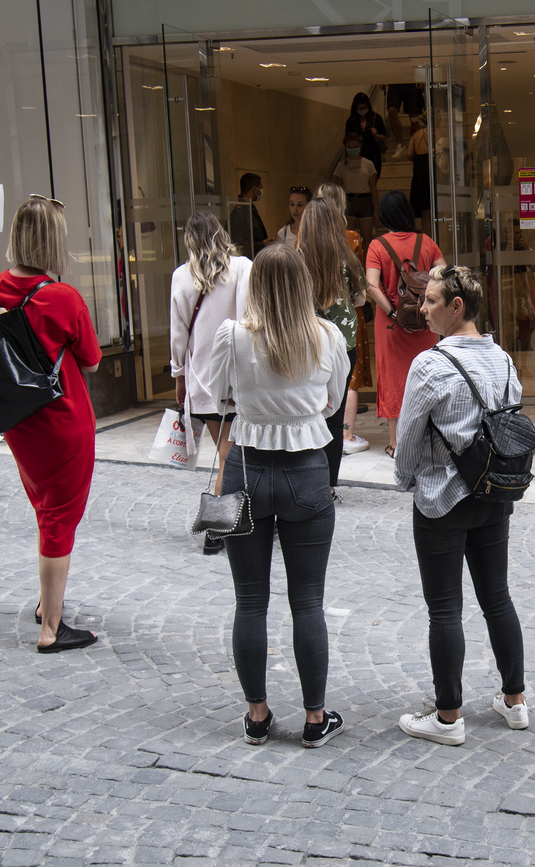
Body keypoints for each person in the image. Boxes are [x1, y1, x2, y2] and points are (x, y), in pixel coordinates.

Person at [206, 244, 351, 748]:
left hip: (245, 465)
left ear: (256, 287)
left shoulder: (233, 336)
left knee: (249, 601)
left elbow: (214, 390)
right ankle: (315, 719)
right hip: (308, 467)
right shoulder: (327, 336)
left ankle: (257, 715)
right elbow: (333, 401)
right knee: (308, 602)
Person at [393, 264, 529, 745]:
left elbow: (408, 437)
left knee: (445, 609)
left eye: (430, 301)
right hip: (494, 494)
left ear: (457, 307)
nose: (421, 307)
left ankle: (448, 717)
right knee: (497, 598)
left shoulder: (430, 365)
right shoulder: (505, 360)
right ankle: (515, 702)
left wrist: (403, 478)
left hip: (441, 499)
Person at [0, 194, 101, 653]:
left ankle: (48, 600)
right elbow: (90, 361)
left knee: (45, 508)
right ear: (53, 242)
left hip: (19, 423)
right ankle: (51, 628)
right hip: (62, 421)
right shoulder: (63, 297)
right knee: (60, 516)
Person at [169, 211, 252, 553]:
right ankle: (218, 529)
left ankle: (230, 520)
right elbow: (249, 318)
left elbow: (178, 332)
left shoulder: (181, 276)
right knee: (230, 452)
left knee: (226, 450)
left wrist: (178, 374)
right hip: (236, 373)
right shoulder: (242, 267)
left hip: (201, 375)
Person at [366, 190, 447, 456]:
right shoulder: (427, 242)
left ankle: (396, 443)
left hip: (391, 326)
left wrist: (391, 312)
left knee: (393, 378)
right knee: (426, 376)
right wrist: (428, 303)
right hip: (424, 322)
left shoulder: (377, 246)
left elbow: (371, 285)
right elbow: (444, 275)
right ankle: (428, 439)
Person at [297, 195, 365, 499]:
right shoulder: (346, 256)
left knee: (308, 411)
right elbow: (361, 298)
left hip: (308, 343)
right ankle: (329, 486)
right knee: (334, 416)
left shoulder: (296, 258)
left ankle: (306, 480)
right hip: (343, 343)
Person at [317, 182, 372, 454]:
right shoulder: (348, 244)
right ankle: (330, 479)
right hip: (344, 335)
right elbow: (361, 296)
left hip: (310, 335)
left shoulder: (299, 249)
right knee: (342, 394)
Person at [334, 132, 379, 252]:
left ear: (360, 146)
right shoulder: (341, 166)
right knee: (348, 239)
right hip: (349, 201)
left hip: (365, 201)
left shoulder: (368, 164)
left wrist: (376, 209)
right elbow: (337, 188)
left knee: (367, 239)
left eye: (355, 147)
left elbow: (373, 187)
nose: (352, 149)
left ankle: (366, 266)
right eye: (349, 147)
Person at [228, 172, 271, 260]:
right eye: (260, 188)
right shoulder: (240, 213)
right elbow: (240, 245)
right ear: (254, 189)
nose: (261, 192)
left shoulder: (250, 209)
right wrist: (263, 244)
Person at [344, 92, 386, 179]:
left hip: (374, 153)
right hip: (357, 155)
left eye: (364, 108)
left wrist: (376, 135)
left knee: (373, 180)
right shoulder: (351, 121)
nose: (362, 110)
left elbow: (384, 136)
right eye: (360, 108)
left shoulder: (376, 118)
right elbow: (347, 140)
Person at [385, 82, 426, 160]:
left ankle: (415, 144)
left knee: (414, 116)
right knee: (391, 111)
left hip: (412, 83)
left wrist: (421, 79)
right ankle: (400, 144)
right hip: (395, 82)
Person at [407, 115, 432, 232]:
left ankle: (425, 238)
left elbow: (409, 154)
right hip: (431, 169)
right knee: (430, 209)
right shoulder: (439, 132)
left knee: (424, 211)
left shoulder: (416, 134)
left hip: (419, 171)